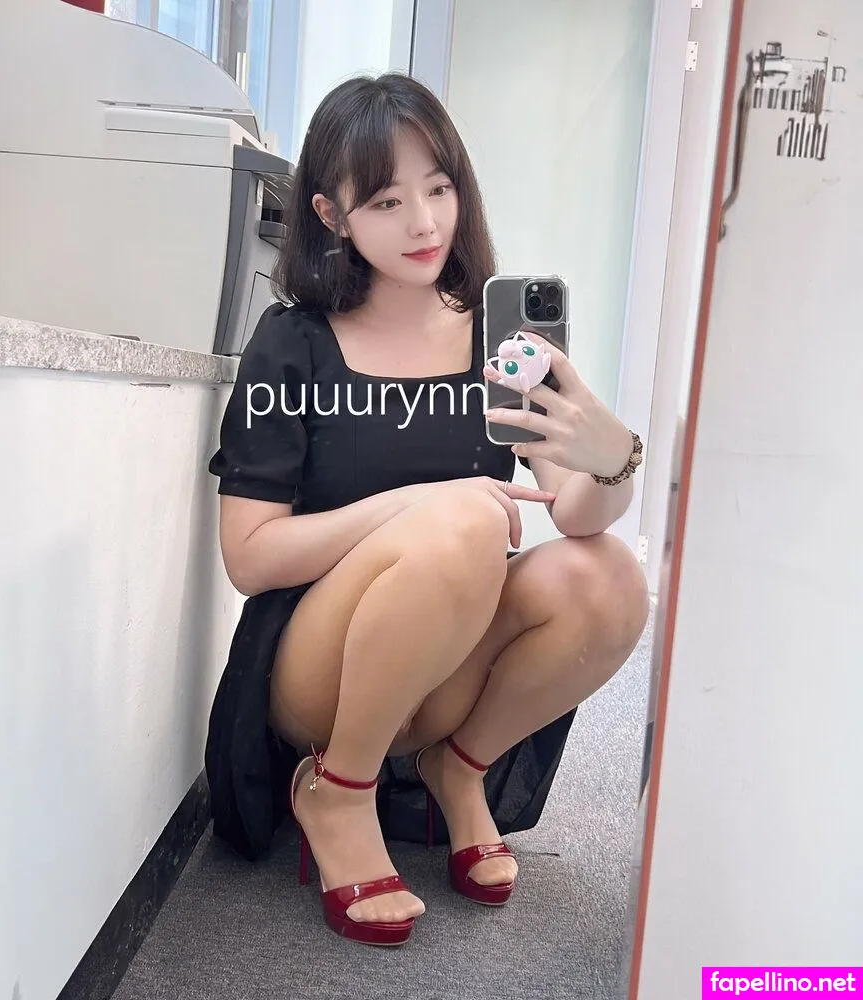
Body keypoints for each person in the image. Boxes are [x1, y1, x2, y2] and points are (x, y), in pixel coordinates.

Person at [206, 71, 649, 947]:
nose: (424, 223)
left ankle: (461, 766)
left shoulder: (502, 343)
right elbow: (250, 557)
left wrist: (614, 459)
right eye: (387, 201)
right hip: (321, 673)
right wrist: (414, 504)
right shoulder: (292, 344)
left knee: (609, 578)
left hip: (447, 661)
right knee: (465, 522)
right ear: (332, 215)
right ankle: (339, 788)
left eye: (439, 188)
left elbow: (577, 514)